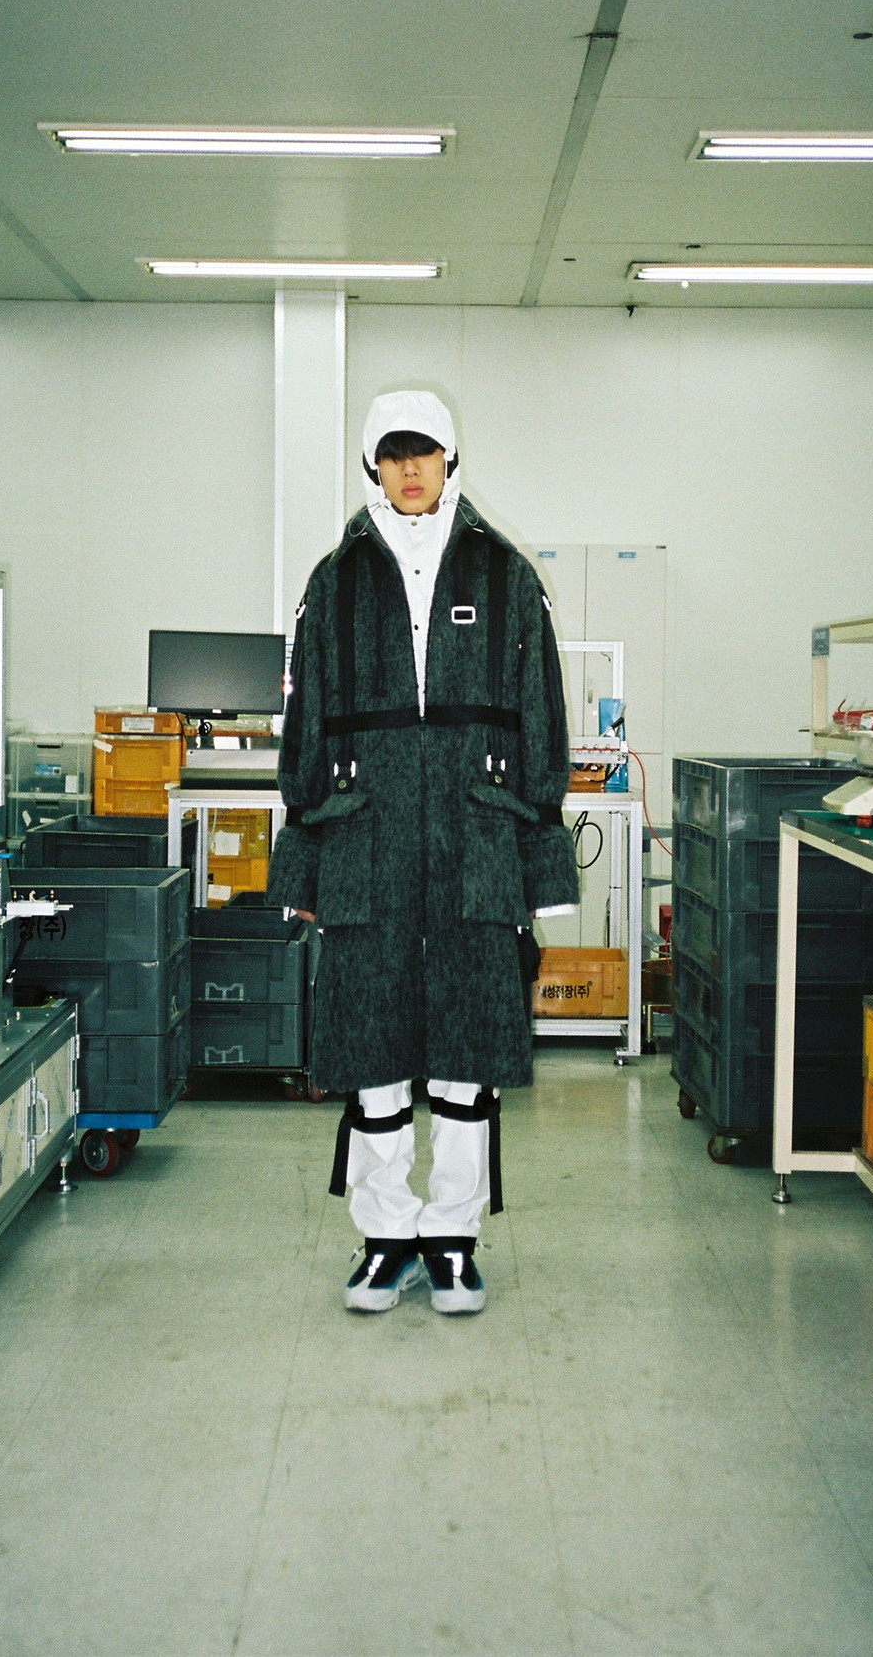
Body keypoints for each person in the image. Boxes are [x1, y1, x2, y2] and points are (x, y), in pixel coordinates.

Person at [266, 390, 577, 1314]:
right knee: (371, 1052)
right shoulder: (334, 582)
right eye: (394, 453)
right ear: (373, 465)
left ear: (450, 459)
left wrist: (540, 860)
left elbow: (540, 716)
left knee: (467, 1054)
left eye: (425, 451)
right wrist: (304, 860)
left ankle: (452, 1238)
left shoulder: (506, 575)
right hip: (365, 841)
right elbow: (305, 723)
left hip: (476, 842)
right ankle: (385, 1237)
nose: (410, 468)